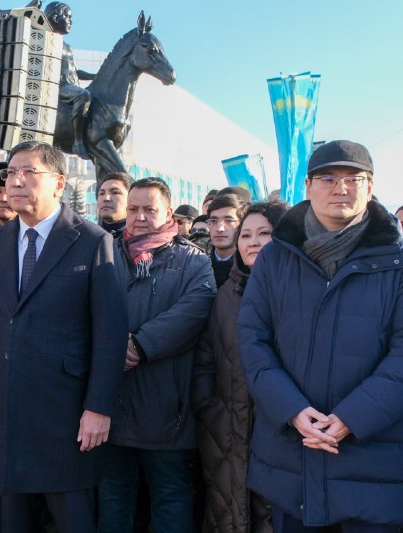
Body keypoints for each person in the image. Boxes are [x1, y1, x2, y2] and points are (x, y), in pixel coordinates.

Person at [0, 141, 127, 532]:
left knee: (73, 517)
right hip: (8, 407)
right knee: (13, 518)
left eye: (28, 172)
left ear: (58, 182)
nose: (16, 181)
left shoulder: (90, 240)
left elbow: (111, 331)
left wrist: (99, 407)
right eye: (11, 173)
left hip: (66, 413)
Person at [238, 140, 403, 530]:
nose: (340, 188)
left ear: (371, 186)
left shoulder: (395, 263)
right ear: (308, 186)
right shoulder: (276, 258)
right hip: (291, 459)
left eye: (353, 178)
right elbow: (252, 339)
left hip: (372, 463)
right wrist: (292, 410)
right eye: (327, 177)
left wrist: (352, 416)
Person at [97, 177, 216, 533]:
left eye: (149, 209)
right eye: (133, 209)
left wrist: (140, 345)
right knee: (114, 495)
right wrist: (111, 347)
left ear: (168, 211)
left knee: (170, 496)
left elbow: (195, 310)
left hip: (166, 407)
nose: (140, 217)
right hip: (110, 404)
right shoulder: (104, 253)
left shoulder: (192, 260)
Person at [193, 200, 289, 533]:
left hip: (282, 431)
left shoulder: (299, 295)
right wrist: (210, 407)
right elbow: (205, 358)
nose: (253, 242)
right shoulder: (224, 296)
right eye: (246, 235)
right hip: (226, 429)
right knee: (229, 514)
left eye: (265, 233)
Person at [45, 2, 96, 157]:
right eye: (67, 17)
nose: (71, 22)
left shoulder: (66, 45)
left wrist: (95, 76)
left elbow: (75, 71)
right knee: (84, 95)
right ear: (55, 17)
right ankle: (79, 141)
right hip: (59, 85)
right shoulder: (48, 40)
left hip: (71, 85)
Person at [206, 193, 247, 288]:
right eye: (213, 221)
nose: (220, 229)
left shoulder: (250, 266)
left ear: (242, 224)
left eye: (229, 221)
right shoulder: (195, 262)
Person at [97, 171, 131, 239]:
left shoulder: (141, 240)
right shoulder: (89, 236)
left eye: (115, 192)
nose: (106, 198)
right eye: (102, 193)